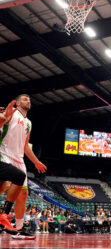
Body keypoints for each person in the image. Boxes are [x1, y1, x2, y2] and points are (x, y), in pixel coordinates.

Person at [0, 95, 47, 239]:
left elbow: (25, 145)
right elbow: (1, 122)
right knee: (3, 186)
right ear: (18, 102)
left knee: (23, 195)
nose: (28, 101)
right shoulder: (11, 112)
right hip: (5, 154)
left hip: (19, 159)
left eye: (29, 99)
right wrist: (4, 116)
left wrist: (36, 161)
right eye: (25, 99)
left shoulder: (29, 122)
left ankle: (18, 230)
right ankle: (4, 217)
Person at [0, 101, 28, 234]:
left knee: (13, 179)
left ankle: (4, 216)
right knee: (5, 185)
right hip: (4, 156)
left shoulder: (4, 122)